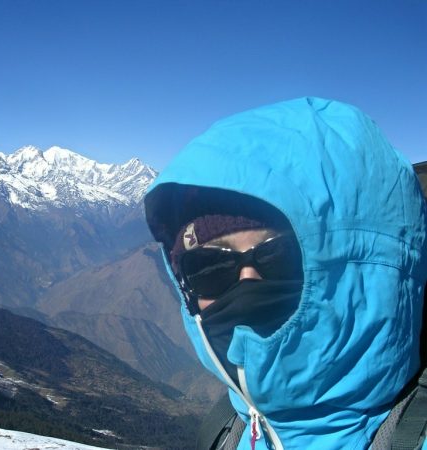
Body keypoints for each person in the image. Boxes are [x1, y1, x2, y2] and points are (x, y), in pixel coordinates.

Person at [144, 97, 427, 449]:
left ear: (363, 269)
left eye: (278, 255)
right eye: (209, 267)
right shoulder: (227, 433)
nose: (247, 283)